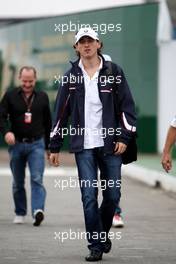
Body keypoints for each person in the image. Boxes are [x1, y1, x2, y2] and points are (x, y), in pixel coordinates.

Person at [49, 27, 136, 261]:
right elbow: (60, 114)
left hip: (111, 146)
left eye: (90, 41)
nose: (86, 45)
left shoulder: (114, 72)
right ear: (76, 47)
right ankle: (95, 245)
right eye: (81, 42)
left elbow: (128, 108)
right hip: (83, 145)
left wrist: (123, 137)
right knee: (88, 196)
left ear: (99, 44)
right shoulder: (70, 77)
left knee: (113, 195)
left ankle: (101, 234)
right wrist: (54, 146)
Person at [0, 66, 52, 226]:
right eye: (24, 80)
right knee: (18, 182)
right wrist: (6, 132)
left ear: (35, 79)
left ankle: (38, 211)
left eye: (30, 81)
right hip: (16, 144)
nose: (27, 84)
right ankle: (20, 212)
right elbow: (1, 117)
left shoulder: (43, 97)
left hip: (37, 143)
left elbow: (48, 123)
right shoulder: (10, 96)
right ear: (20, 79)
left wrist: (50, 147)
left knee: (37, 178)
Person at [103, 54, 124, 229]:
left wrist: (121, 138)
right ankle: (100, 217)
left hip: (113, 143)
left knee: (113, 184)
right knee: (90, 186)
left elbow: (127, 111)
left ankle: (115, 212)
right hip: (91, 143)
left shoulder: (118, 87)